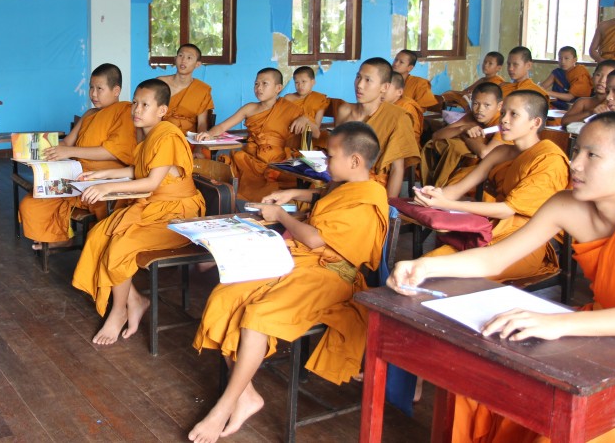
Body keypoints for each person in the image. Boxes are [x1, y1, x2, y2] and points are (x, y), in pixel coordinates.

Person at [389, 112, 615, 443]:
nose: (575, 164)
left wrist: (558, 324)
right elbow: (498, 257)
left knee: (562, 425)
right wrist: (425, 267)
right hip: (596, 331)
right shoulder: (566, 205)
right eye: (577, 150)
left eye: (591, 155)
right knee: (480, 378)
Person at [188, 122, 389, 443]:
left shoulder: (371, 197)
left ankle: (224, 405)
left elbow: (314, 239)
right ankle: (247, 395)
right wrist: (295, 192)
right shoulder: (350, 185)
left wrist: (280, 215)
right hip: (297, 261)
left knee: (257, 316)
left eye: (330, 156)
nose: (324, 162)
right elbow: (328, 194)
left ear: (354, 161)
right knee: (225, 296)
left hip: (329, 276)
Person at [71, 79, 205, 345]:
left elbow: (151, 183)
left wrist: (107, 188)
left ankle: (118, 311)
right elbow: (140, 171)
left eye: (145, 104)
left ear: (162, 110)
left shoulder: (166, 134)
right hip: (154, 207)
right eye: (135, 102)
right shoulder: (149, 134)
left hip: (177, 216)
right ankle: (136, 300)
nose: (137, 109)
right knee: (99, 235)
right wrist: (101, 174)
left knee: (120, 245)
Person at [414, 90, 567, 282]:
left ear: (535, 123)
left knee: (446, 276)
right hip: (489, 230)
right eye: (503, 113)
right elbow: (458, 189)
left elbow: (507, 210)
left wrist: (448, 204)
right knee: (428, 263)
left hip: (523, 244)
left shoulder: (548, 158)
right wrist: (433, 195)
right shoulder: (500, 152)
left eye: (514, 114)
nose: (503, 120)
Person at [18, 63, 136, 248]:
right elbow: (67, 143)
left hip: (105, 181)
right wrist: (36, 149)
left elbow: (112, 151)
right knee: (31, 203)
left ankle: (100, 245)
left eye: (99, 89)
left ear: (116, 90)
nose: (93, 94)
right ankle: (62, 238)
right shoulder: (90, 114)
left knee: (104, 224)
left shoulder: (125, 112)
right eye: (91, 87)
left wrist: (70, 152)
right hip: (76, 178)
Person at [196, 68, 302, 202]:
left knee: (278, 181)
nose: (259, 88)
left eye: (265, 84)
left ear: (278, 88)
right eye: (256, 84)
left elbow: (313, 131)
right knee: (225, 168)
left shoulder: (290, 109)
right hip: (251, 158)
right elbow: (223, 126)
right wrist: (210, 133)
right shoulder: (250, 108)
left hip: (277, 159)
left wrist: (305, 120)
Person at [335, 58, 420, 198]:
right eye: (358, 77)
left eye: (368, 80)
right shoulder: (344, 111)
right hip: (340, 182)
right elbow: (338, 155)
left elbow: (396, 169)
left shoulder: (397, 118)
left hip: (372, 189)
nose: (359, 85)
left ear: (384, 87)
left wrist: (387, 208)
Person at [421, 82, 505, 187]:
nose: (480, 109)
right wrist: (462, 128)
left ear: (499, 106)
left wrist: (465, 135)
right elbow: (436, 136)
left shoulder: (503, 122)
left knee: (453, 184)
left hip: (498, 172)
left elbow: (485, 153)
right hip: (474, 167)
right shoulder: (472, 116)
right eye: (475, 104)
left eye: (487, 105)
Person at [158, 43, 213, 133]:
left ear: (197, 64)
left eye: (189, 58)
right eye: (180, 56)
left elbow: (202, 124)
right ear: (175, 59)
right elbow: (150, 115)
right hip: (162, 135)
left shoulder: (202, 90)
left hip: (188, 140)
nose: (183, 60)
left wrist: (199, 143)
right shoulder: (161, 83)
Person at [563, 59, 615, 126]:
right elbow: (564, 121)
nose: (602, 80)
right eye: (598, 75)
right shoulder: (583, 102)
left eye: (608, 77)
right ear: (592, 76)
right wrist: (591, 112)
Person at [441, 51, 505, 112]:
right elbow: (466, 91)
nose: (485, 65)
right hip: (470, 100)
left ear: (498, 68)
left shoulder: (498, 82)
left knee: (450, 94)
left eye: (490, 63)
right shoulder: (482, 80)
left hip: (481, 107)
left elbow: (487, 99)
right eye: (485, 62)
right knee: (448, 93)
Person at [284, 65, 329, 149]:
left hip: (308, 140)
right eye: (297, 82)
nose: (300, 85)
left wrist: (305, 119)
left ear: (313, 82)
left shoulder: (319, 99)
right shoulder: (288, 98)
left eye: (304, 81)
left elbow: (316, 132)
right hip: (288, 137)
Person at [540, 45, 592, 109]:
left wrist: (547, 92)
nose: (563, 62)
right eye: (560, 58)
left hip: (573, 107)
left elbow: (570, 97)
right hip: (555, 105)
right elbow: (542, 87)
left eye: (566, 58)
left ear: (574, 60)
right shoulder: (557, 73)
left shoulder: (580, 74)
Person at [385, 71, 423, 149]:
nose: (381, 90)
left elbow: (407, 139)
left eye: (386, 87)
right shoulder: (382, 104)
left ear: (399, 92)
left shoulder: (406, 108)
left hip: (404, 152)